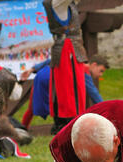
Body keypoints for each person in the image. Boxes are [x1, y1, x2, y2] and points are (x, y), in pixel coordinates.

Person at [21, 54, 110, 129]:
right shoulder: (83, 72)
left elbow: (51, 60)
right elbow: (94, 94)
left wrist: (32, 69)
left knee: (32, 107)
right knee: (63, 109)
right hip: (50, 80)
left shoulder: (74, 61)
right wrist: (107, 110)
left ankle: (23, 129)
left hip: (41, 75)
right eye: (101, 71)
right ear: (94, 65)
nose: (100, 75)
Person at [42, 0, 88, 134]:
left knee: (68, 87)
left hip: (68, 48)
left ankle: (67, 121)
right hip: (67, 49)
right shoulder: (58, 3)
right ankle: (69, 121)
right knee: (69, 88)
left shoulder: (67, 4)